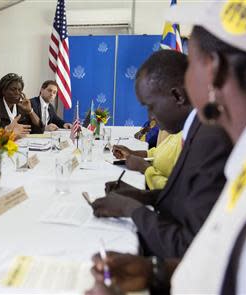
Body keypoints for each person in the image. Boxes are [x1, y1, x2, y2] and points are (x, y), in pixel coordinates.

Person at [87, 1, 246, 294]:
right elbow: (213, 254)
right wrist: (155, 272)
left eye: (191, 63)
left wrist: (135, 209)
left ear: (213, 69)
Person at [92, 50, 232, 259]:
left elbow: (190, 246)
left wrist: (132, 209)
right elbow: (186, 198)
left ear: (178, 96)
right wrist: (142, 195)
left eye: (151, 106)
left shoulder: (210, 139)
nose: (150, 117)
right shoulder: (196, 130)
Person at [113, 129, 182, 190]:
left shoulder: (188, 141)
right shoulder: (178, 134)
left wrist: (144, 168)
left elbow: (179, 193)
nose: (151, 117)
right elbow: (156, 152)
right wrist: (131, 152)